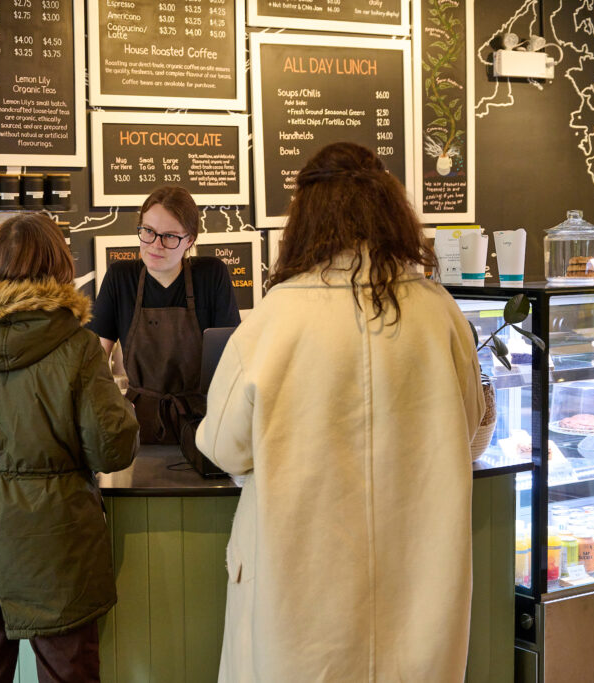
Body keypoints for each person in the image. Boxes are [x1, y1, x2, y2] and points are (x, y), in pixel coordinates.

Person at [196, 142, 485, 682]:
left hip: (300, 592)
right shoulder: (438, 312)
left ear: (304, 219)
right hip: (418, 584)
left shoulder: (277, 318)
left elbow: (222, 445)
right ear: (392, 210)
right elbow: (467, 423)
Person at [0, 213, 140, 682]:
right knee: (68, 674)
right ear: (58, 266)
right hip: (56, 548)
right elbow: (112, 451)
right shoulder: (78, 346)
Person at [88, 186, 241, 443]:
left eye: (169, 236)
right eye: (148, 231)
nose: (155, 245)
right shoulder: (120, 277)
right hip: (136, 426)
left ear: (190, 240)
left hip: (201, 424)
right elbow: (94, 360)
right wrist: (110, 406)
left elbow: (232, 359)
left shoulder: (211, 275)